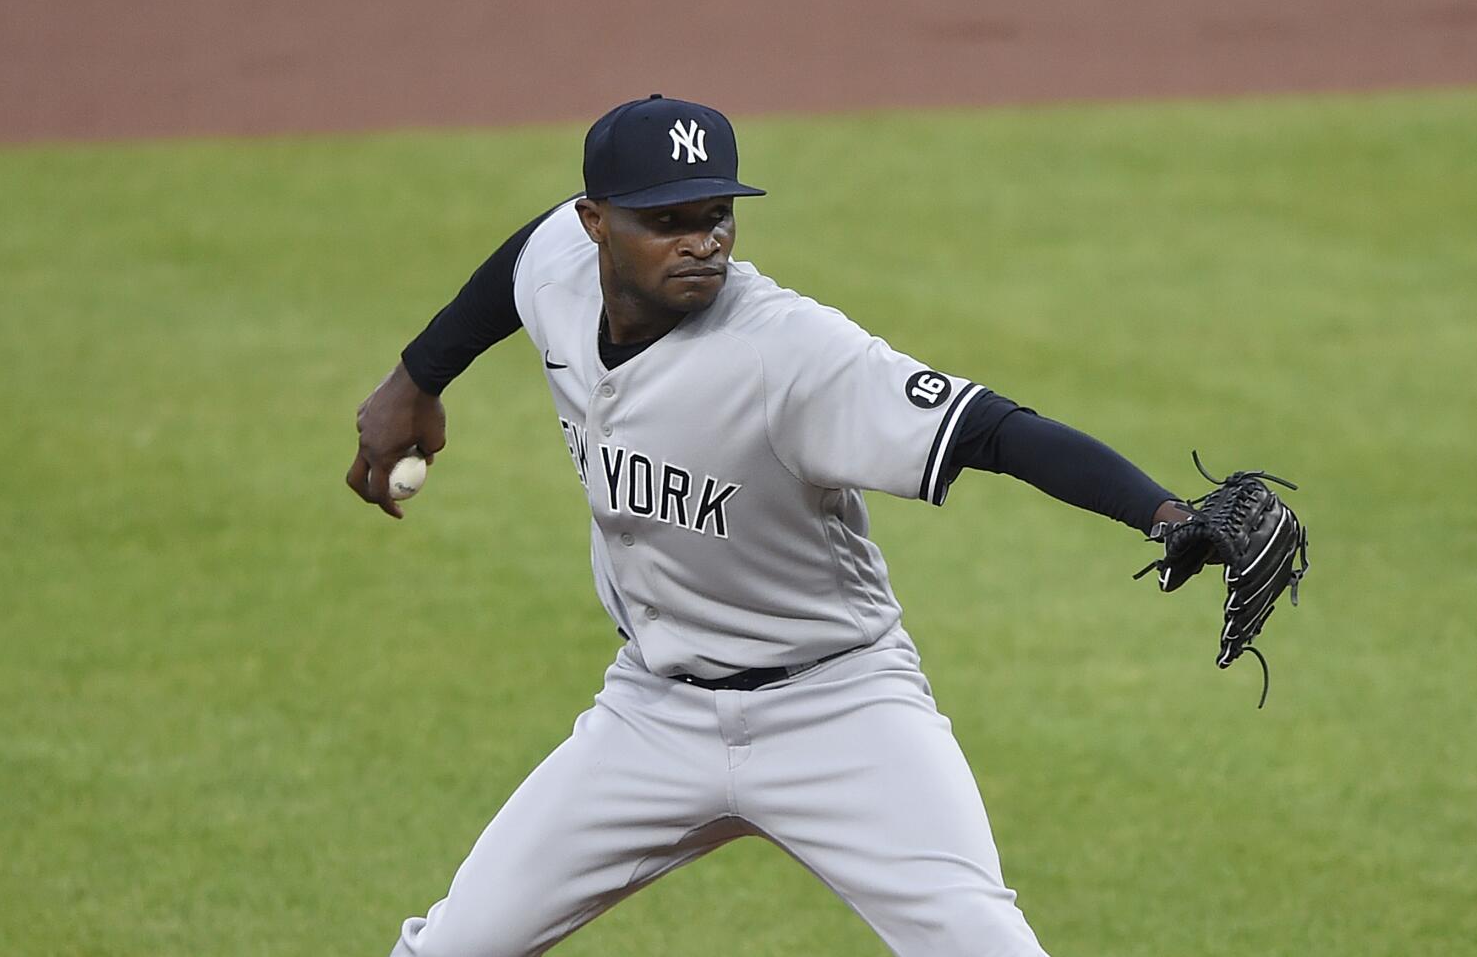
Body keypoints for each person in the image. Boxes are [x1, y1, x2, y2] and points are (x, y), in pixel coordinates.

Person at [348, 94, 1190, 957]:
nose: (701, 240)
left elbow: (995, 431)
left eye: (716, 216)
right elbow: (522, 256)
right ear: (595, 222)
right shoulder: (561, 267)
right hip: (654, 710)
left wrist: (1166, 514)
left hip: (839, 709)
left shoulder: (791, 351)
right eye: (666, 220)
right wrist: (418, 375)